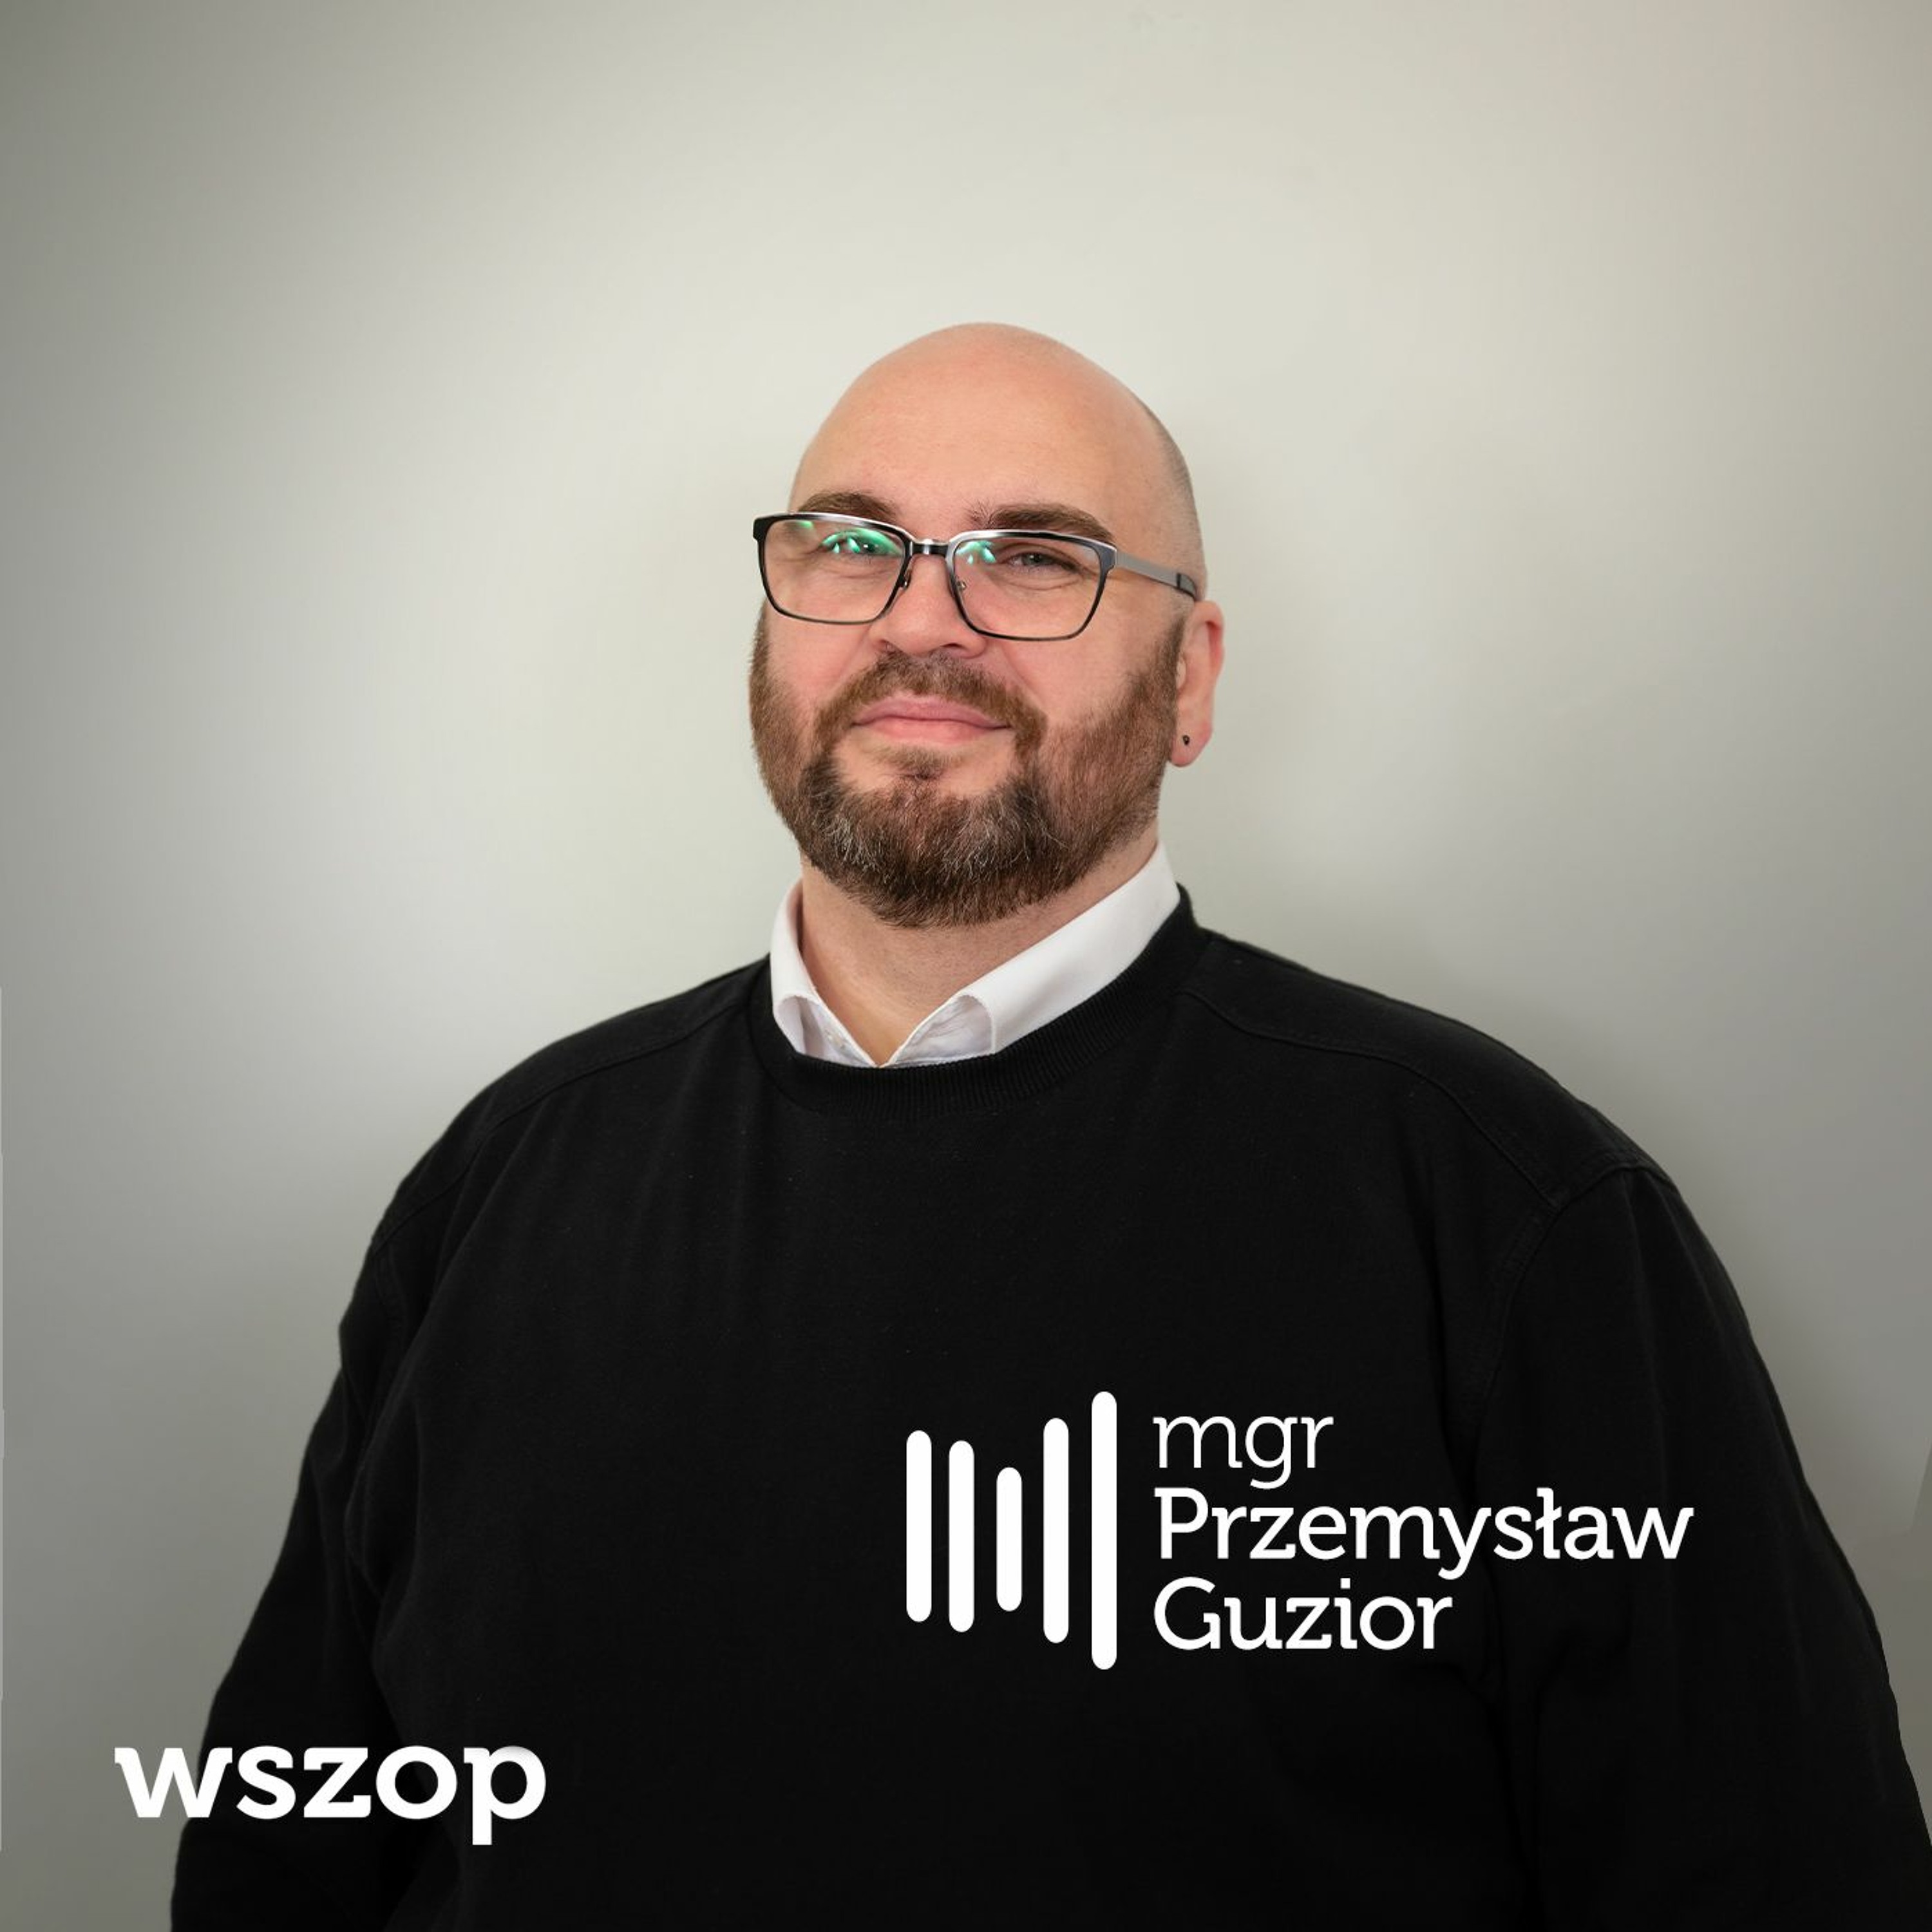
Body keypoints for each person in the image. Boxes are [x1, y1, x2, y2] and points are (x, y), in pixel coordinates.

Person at [173, 325, 1932, 1927]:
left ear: (1193, 677)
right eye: (849, 544)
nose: (920, 621)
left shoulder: (1499, 1211)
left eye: (1034, 558)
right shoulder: (504, 1184)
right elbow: (285, 1859)